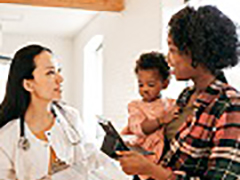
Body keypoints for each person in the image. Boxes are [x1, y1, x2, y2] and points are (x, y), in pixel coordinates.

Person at [118, 5, 240, 180]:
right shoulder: (186, 96)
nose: (168, 59)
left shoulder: (230, 105)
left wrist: (152, 170)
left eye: (173, 50)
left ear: (196, 54)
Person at [0, 44, 124, 180]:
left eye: (58, 71)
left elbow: (89, 161)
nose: (60, 79)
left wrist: (116, 152)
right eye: (50, 72)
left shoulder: (70, 117)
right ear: (29, 84)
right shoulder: (7, 137)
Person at [121, 52, 175, 180]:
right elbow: (139, 128)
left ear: (165, 84)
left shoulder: (171, 104)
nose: (145, 89)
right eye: (140, 84)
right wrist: (161, 120)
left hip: (164, 161)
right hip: (143, 159)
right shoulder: (135, 106)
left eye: (150, 85)